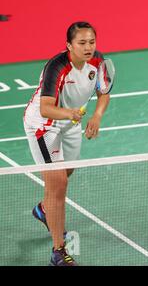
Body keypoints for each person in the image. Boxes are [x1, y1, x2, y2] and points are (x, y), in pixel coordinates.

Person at [24, 22, 111, 266]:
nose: (88, 47)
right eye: (82, 43)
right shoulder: (57, 67)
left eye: (91, 42)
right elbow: (46, 107)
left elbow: (104, 92)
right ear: (69, 45)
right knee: (59, 183)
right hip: (44, 126)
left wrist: (96, 116)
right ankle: (58, 251)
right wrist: (70, 113)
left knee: (66, 173)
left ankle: (44, 209)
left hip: (71, 122)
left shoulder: (98, 61)